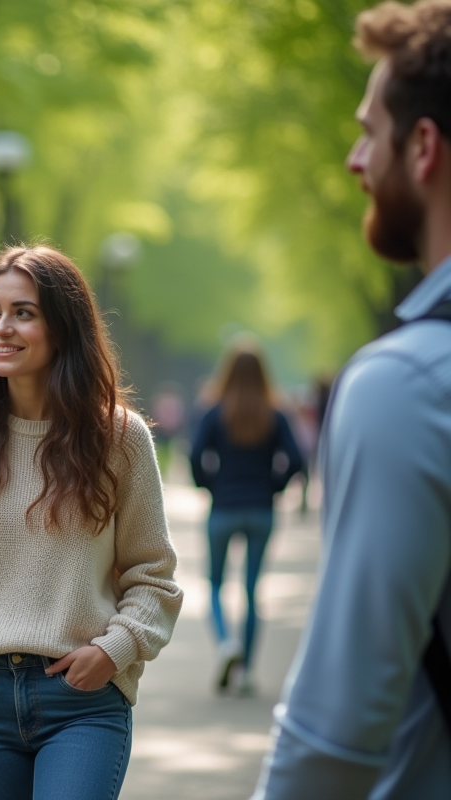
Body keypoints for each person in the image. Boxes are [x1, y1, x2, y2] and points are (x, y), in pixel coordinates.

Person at [0, 245, 183, 800]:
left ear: (63, 328)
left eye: (23, 312)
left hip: (82, 700)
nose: (1, 328)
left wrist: (114, 650)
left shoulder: (120, 440)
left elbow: (153, 574)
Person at [254, 2, 451, 796]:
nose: (353, 158)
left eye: (371, 131)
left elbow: (336, 731)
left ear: (425, 147)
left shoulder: (405, 385)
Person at [190, 343, 304, 696]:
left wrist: (209, 486)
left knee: (214, 584)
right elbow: (297, 460)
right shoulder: (276, 414)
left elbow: (196, 456)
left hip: (223, 507)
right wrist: (275, 487)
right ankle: (248, 672)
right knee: (253, 590)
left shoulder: (215, 412)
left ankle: (227, 644)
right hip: (261, 509)